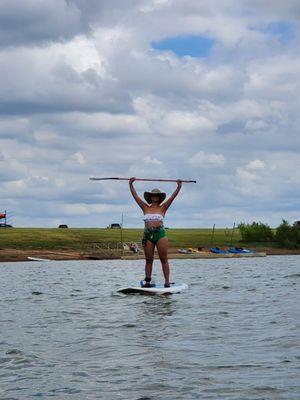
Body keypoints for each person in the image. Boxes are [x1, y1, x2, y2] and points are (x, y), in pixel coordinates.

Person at [129, 177, 182, 288]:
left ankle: (167, 282)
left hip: (160, 234)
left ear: (159, 198)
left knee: (164, 259)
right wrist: (131, 184)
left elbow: (172, 197)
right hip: (148, 235)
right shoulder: (145, 207)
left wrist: (178, 187)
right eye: (153, 195)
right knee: (148, 260)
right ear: (150, 197)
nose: (155, 197)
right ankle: (147, 281)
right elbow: (135, 196)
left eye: (157, 196)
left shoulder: (163, 208)